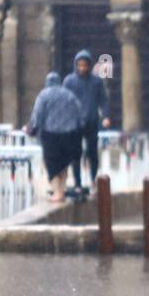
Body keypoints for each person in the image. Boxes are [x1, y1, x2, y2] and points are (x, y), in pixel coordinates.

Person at [26, 71, 85, 203]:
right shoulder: (69, 95)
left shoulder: (44, 95)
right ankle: (61, 190)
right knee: (64, 163)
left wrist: (31, 129)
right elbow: (80, 115)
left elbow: (37, 116)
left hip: (50, 135)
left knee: (52, 165)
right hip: (70, 135)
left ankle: (57, 193)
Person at [62, 49, 110, 196]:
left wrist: (106, 116)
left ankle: (93, 179)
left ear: (89, 65)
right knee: (75, 154)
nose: (82, 68)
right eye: (80, 65)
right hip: (75, 123)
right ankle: (77, 182)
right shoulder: (69, 81)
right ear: (76, 65)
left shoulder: (96, 82)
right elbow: (65, 101)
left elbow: (103, 100)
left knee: (92, 153)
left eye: (85, 65)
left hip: (91, 121)